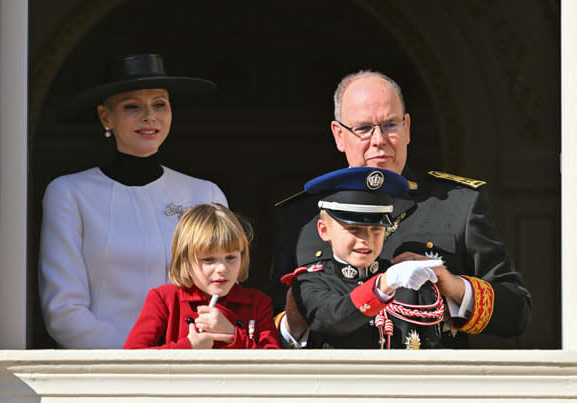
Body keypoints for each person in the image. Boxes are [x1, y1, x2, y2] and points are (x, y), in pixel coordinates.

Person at [272, 70, 532, 348]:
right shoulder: (303, 215)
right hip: (336, 386)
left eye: (390, 125)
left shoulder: (458, 204)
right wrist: (295, 324)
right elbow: (271, 321)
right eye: (363, 128)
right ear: (338, 135)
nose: (378, 140)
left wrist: (453, 286)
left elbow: (517, 312)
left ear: (407, 128)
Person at [39, 54, 227, 349]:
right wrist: (138, 358)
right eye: (132, 106)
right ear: (106, 117)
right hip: (108, 373)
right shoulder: (69, 193)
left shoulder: (206, 195)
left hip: (193, 367)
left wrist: (186, 353)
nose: (149, 116)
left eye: (159, 104)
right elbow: (63, 312)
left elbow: (224, 293)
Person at [284, 167, 445, 349]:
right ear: (324, 230)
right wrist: (382, 286)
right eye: (353, 229)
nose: (366, 240)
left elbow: (433, 350)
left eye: (376, 229)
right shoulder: (309, 282)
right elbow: (332, 320)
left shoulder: (407, 281)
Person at [124, 203, 280, 349]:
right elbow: (130, 361)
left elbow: (275, 366)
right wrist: (188, 347)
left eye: (231, 257)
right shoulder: (164, 299)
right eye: (208, 260)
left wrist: (233, 334)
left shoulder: (257, 303)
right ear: (185, 260)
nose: (222, 268)